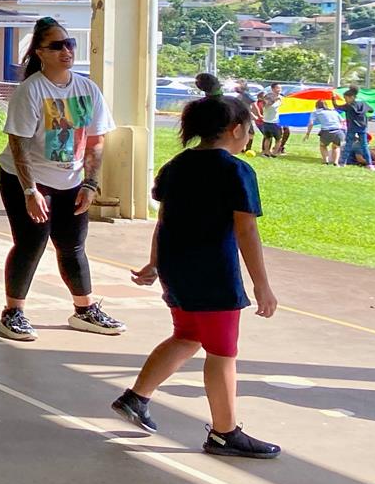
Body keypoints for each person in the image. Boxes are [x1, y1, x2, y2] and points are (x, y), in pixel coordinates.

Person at [113, 95, 281, 459]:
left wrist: (155, 263)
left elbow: (164, 221)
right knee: (222, 350)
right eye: (249, 129)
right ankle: (224, 433)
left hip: (177, 269)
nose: (249, 136)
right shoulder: (236, 171)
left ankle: (136, 398)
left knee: (187, 335)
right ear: (236, 129)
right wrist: (262, 285)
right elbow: (246, 230)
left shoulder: (175, 166)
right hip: (213, 274)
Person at [0, 16, 123, 343]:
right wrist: (30, 190)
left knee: (73, 245)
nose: (66, 51)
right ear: (40, 52)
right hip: (27, 179)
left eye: (70, 44)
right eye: (57, 46)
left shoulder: (87, 89)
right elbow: (19, 144)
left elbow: (95, 141)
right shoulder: (31, 91)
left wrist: (90, 184)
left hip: (71, 180)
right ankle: (13, 312)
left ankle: (84, 308)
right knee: (32, 243)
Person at [336, 84, 372, 168]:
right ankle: (369, 164)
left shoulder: (348, 106)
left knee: (348, 145)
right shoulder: (362, 103)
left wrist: (333, 100)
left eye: (345, 98)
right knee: (364, 146)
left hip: (352, 127)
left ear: (351, 97)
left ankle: (342, 163)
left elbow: (337, 107)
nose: (345, 100)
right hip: (362, 127)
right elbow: (371, 110)